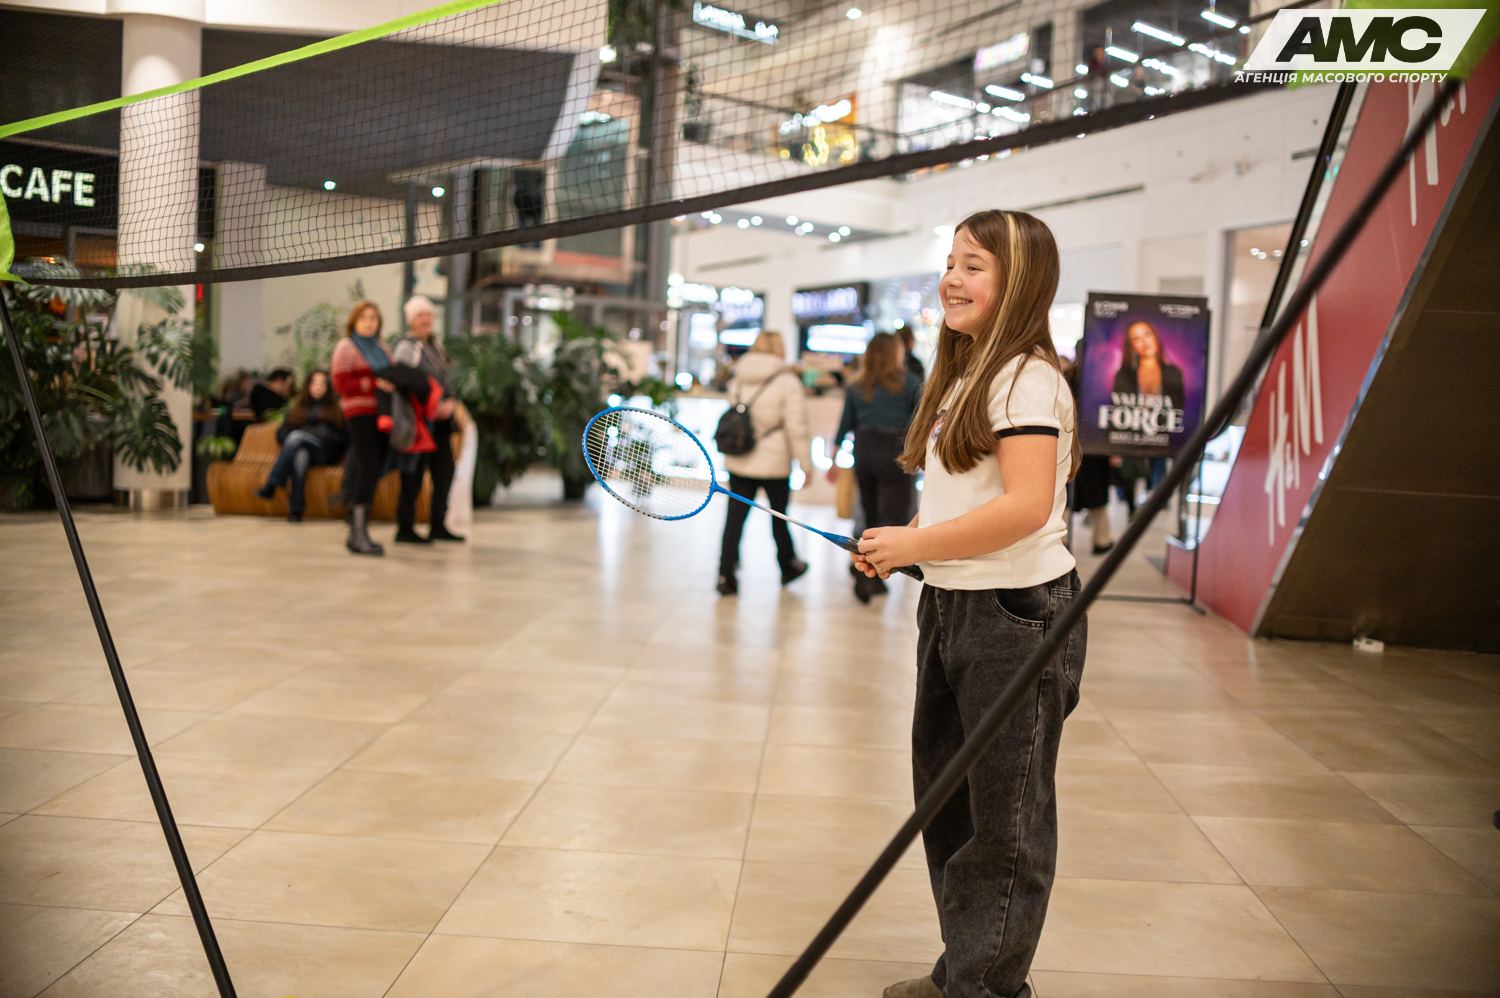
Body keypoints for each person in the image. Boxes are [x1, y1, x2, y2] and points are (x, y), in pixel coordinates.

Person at [853, 209, 1086, 998]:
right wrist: (909, 543)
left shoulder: (1026, 377)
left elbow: (1025, 507)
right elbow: (968, 496)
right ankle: (968, 970)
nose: (951, 278)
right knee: (948, 806)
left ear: (1019, 282)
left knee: (1004, 822)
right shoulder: (966, 372)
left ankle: (986, 989)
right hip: (953, 607)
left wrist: (917, 545)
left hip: (1016, 615)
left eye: (974, 265)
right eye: (950, 262)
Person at [717, 330, 812, 596]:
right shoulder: (787, 381)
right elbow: (797, 427)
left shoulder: (738, 378)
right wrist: (806, 464)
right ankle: (788, 565)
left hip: (740, 457)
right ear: (779, 348)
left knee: (734, 518)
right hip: (774, 461)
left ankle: (725, 574)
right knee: (778, 516)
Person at [829, 332, 922, 603]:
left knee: (868, 514)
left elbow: (844, 425)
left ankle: (866, 575)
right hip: (896, 452)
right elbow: (921, 423)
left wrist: (833, 460)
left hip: (865, 449)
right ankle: (875, 574)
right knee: (891, 517)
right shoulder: (910, 384)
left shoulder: (857, 386)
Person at [391, 296, 463, 543]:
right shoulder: (407, 347)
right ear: (411, 320)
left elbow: (447, 381)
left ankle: (438, 524)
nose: (426, 319)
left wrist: (450, 402)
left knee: (444, 471)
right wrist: (432, 405)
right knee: (413, 474)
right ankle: (405, 527)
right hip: (418, 421)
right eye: (420, 315)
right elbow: (404, 382)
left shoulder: (435, 348)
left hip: (440, 423)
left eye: (429, 315)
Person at [330, 300, 394, 556]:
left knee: (374, 468)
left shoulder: (382, 348)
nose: (369, 323)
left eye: (373, 318)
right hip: (358, 413)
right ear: (354, 321)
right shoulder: (347, 346)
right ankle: (357, 532)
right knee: (368, 467)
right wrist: (373, 383)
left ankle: (358, 531)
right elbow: (340, 383)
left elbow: (392, 376)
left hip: (382, 414)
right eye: (364, 318)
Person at [253, 370, 347, 521]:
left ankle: (272, 484)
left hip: (324, 454)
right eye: (314, 383)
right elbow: (281, 436)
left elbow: (342, 439)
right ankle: (296, 510)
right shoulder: (297, 409)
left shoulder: (335, 410)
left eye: (322, 384)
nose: (318, 387)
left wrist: (316, 434)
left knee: (296, 436)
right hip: (302, 451)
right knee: (300, 455)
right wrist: (302, 437)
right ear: (308, 386)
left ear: (328, 387)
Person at [1067, 362, 1114, 555]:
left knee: (1066, 495)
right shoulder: (1101, 382)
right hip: (1096, 447)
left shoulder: (1066, 378)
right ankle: (1101, 541)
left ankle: (1063, 541)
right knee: (1097, 496)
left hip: (1070, 444)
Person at [1112, 320, 1185, 406]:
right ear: (1132, 347)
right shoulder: (1123, 375)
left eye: (1147, 334)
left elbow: (1178, 409)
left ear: (1155, 337)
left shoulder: (1174, 373)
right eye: (1136, 338)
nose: (1145, 342)